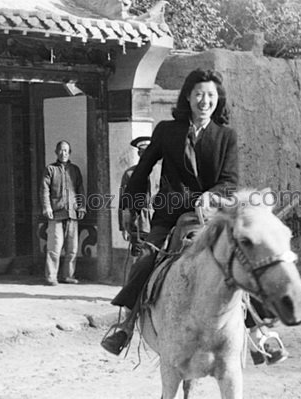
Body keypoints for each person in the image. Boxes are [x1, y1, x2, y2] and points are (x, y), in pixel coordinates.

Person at [101, 68, 239, 355]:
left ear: (218, 99)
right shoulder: (166, 130)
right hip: (170, 216)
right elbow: (142, 171)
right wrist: (130, 206)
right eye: (199, 94)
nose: (205, 101)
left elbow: (230, 181)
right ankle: (125, 325)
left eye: (211, 95)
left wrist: (210, 197)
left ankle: (259, 328)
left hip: (210, 217)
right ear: (188, 96)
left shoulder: (226, 136)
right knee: (145, 261)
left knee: (244, 256)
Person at [40, 140, 86, 286]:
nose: (63, 153)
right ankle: (51, 276)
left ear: (69, 152)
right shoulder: (50, 169)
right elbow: (44, 190)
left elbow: (80, 189)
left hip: (72, 213)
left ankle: (68, 275)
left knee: (72, 248)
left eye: (66, 150)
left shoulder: (75, 170)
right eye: (60, 150)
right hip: (56, 214)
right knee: (54, 247)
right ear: (56, 152)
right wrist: (47, 207)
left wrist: (82, 207)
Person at [118, 136, 157, 256]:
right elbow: (124, 203)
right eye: (142, 152)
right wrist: (124, 227)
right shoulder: (130, 174)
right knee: (139, 262)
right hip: (139, 226)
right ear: (139, 154)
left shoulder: (161, 171)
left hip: (159, 225)